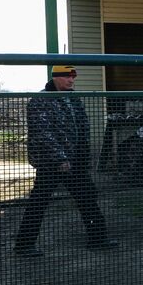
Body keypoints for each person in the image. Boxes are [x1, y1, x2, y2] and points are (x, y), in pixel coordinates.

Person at [13, 65, 116, 256]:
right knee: (39, 202)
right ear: (55, 77)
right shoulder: (41, 100)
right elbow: (42, 133)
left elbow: (83, 127)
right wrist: (60, 158)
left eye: (73, 77)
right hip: (51, 163)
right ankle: (24, 245)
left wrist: (83, 156)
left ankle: (98, 239)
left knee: (87, 198)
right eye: (67, 77)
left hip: (75, 161)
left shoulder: (73, 98)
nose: (71, 80)